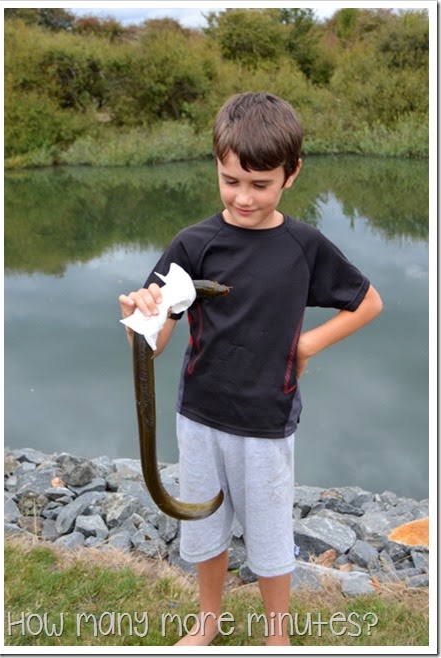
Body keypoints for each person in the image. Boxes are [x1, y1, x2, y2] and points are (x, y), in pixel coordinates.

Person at [118, 92, 383, 646]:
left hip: (267, 419)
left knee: (268, 534)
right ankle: (208, 622)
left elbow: (368, 302)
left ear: (292, 174)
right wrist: (139, 318)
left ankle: (276, 635)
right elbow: (158, 341)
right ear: (217, 166)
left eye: (260, 184)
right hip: (200, 415)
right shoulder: (193, 244)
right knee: (204, 526)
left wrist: (306, 345)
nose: (243, 197)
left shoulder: (304, 246)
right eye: (230, 180)